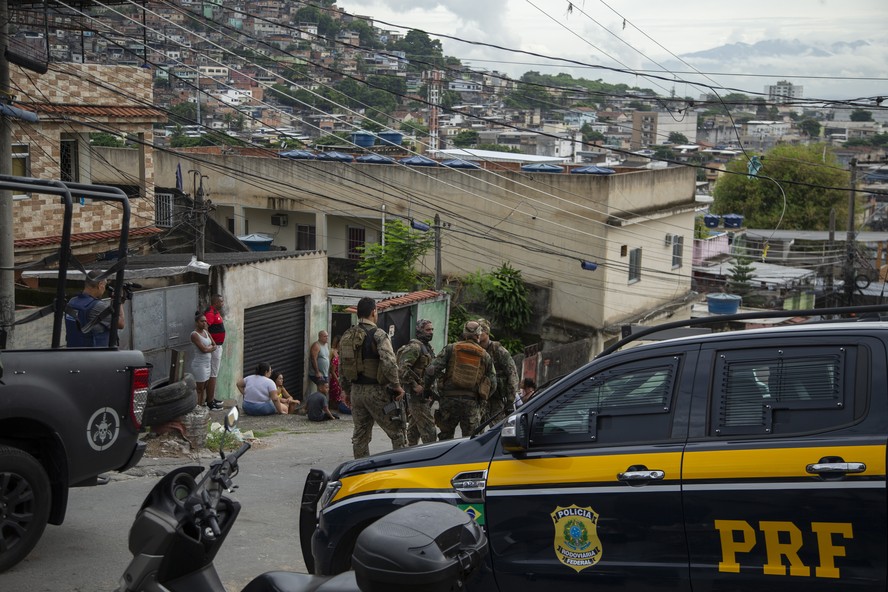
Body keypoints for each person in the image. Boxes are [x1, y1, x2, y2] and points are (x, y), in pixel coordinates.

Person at [340, 297, 406, 458]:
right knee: (397, 433)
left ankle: (360, 472)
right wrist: (397, 385)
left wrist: (347, 391)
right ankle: (402, 469)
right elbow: (389, 362)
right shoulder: (378, 334)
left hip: (356, 392)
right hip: (376, 392)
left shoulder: (347, 336)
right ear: (373, 312)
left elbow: (342, 366)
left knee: (360, 436)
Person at [424, 320, 496, 440]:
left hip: (448, 401)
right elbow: (493, 383)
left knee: (445, 439)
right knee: (471, 441)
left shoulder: (451, 349)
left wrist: (427, 389)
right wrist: (482, 400)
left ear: (464, 334)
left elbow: (431, 370)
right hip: (471, 403)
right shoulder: (485, 355)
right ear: (478, 335)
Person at [399, 319, 437, 445]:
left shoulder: (426, 347)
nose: (430, 332)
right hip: (416, 395)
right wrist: (414, 385)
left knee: (415, 426)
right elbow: (402, 368)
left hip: (424, 393)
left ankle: (410, 449)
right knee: (429, 430)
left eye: (432, 330)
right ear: (419, 330)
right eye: (427, 330)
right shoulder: (415, 347)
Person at [65, 269, 125, 347]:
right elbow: (121, 324)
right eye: (105, 285)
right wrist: (118, 300)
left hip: (73, 352)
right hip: (95, 355)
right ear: (100, 285)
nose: (104, 289)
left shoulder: (72, 302)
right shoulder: (97, 306)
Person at [477, 318, 519, 423]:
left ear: (487, 332)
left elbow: (512, 374)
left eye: (481, 331)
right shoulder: (475, 350)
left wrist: (510, 400)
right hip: (479, 396)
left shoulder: (499, 351)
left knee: (497, 428)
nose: (478, 334)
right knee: (476, 429)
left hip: (497, 398)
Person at [189, 313, 217, 408]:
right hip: (199, 365)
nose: (204, 323)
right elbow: (203, 349)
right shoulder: (194, 335)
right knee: (199, 389)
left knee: (204, 387)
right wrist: (209, 348)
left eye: (205, 321)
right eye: (202, 321)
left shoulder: (206, 332)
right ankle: (197, 408)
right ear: (197, 322)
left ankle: (201, 406)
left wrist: (209, 347)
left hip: (207, 364)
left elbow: (215, 345)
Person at [203, 294, 225, 410]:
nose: (222, 303)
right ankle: (210, 402)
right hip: (214, 348)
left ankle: (210, 397)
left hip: (217, 347)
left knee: (213, 374)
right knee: (213, 374)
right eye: (221, 301)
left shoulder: (215, 312)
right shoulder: (210, 313)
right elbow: (206, 328)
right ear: (215, 302)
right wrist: (213, 342)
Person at [328, 335, 351, 415]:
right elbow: (332, 371)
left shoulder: (342, 359)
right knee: (335, 394)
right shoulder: (336, 359)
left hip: (340, 378)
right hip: (336, 378)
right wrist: (337, 379)